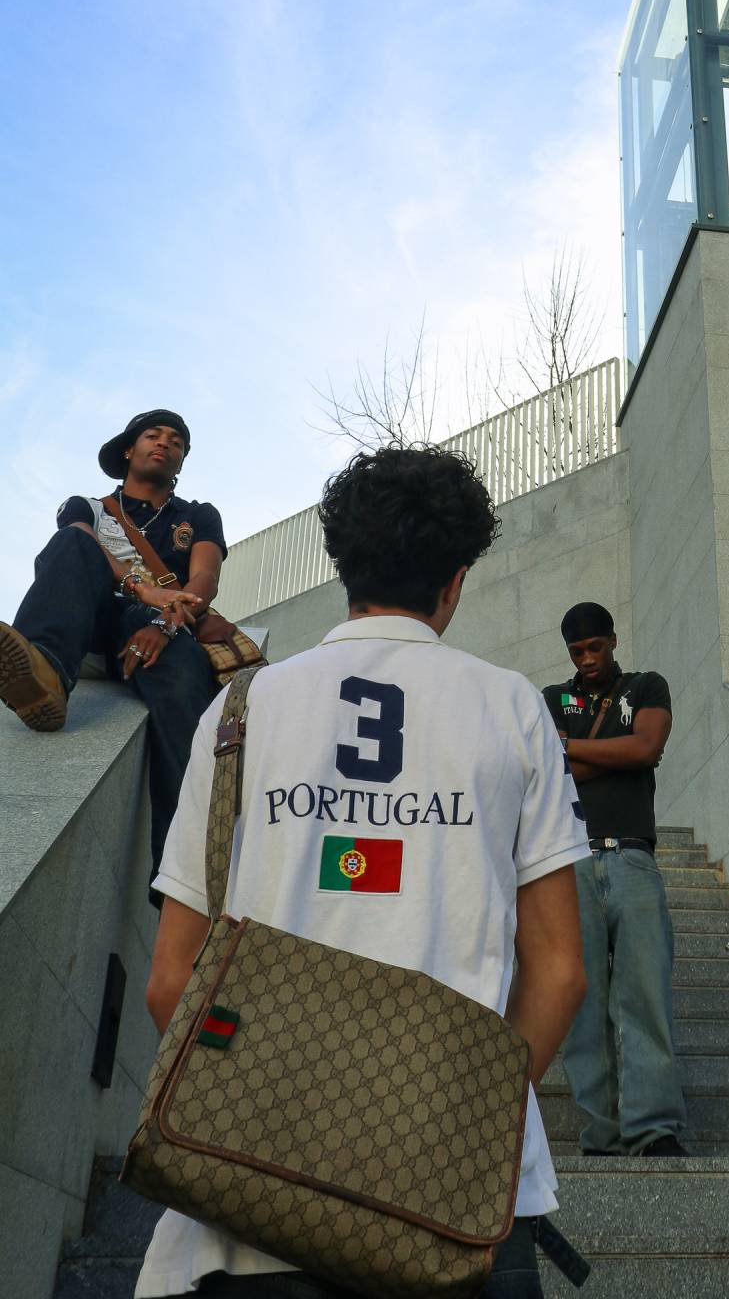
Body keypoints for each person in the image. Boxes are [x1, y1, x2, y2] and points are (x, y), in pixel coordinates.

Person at [135, 444, 589, 1299]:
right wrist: (446, 1120)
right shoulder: (512, 707)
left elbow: (171, 982)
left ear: (344, 566)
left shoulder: (240, 708)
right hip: (460, 1210)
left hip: (250, 1198)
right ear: (454, 582)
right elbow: (560, 972)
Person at [0, 409, 225, 878]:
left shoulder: (197, 516)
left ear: (181, 462)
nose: (166, 443)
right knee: (69, 545)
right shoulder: (85, 505)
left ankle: (180, 877)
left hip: (157, 622)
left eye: (177, 441)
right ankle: (45, 672)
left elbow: (204, 578)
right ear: (128, 449)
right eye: (152, 435)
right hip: (93, 609)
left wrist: (165, 621)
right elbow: (78, 542)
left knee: (184, 685)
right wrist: (142, 587)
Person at [542, 601, 687, 1157]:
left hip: (631, 856)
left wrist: (570, 746)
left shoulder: (646, 686)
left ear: (612, 640)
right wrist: (617, 755)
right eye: (577, 652)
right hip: (571, 858)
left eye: (595, 647)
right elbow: (548, 768)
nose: (587, 659)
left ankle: (652, 1128)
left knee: (644, 992)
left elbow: (647, 746)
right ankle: (600, 1131)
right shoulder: (552, 698)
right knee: (582, 1004)